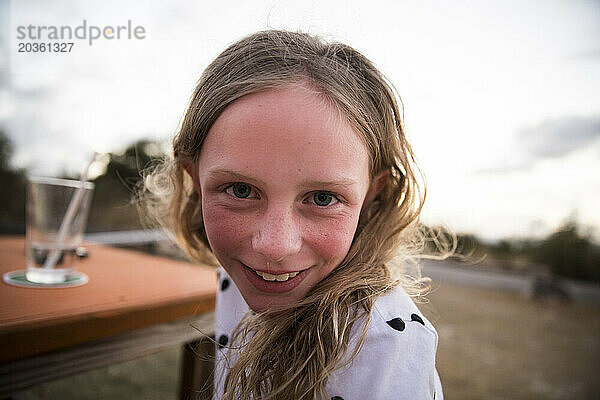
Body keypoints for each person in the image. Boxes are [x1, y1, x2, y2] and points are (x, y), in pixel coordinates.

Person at [143, 29, 444, 400]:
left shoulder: (385, 347)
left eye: (321, 198)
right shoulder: (236, 278)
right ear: (194, 178)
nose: (274, 247)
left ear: (370, 195)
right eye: (240, 191)